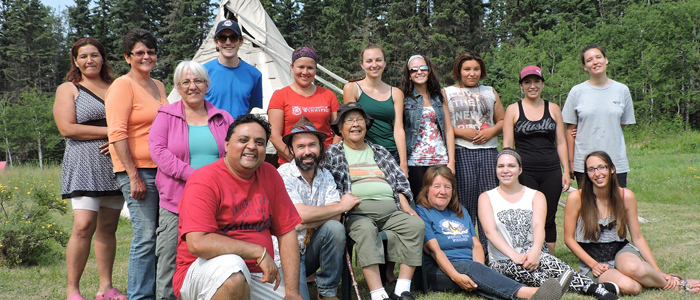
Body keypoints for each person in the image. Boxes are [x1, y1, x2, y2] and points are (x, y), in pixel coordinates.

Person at [173, 114, 303, 300]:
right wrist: (257, 251)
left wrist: (292, 292)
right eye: (243, 140)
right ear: (227, 145)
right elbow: (197, 243)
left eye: (259, 142)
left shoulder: (270, 174)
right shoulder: (204, 180)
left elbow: (287, 231)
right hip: (203, 271)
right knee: (233, 269)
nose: (251, 146)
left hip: (259, 275)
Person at [478, 148, 619, 300]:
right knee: (527, 272)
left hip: (535, 253)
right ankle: (589, 288)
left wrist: (535, 252)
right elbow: (490, 232)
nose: (506, 170)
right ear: (496, 169)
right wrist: (515, 256)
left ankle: (595, 290)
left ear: (520, 170)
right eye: (501, 166)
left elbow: (539, 225)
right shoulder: (487, 197)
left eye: (511, 166)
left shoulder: (536, 196)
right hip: (503, 260)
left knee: (552, 263)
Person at [416, 165, 571, 300]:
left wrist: (478, 270)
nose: (443, 191)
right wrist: (457, 276)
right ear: (427, 189)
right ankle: (532, 292)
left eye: (447, 186)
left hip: (470, 268)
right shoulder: (422, 212)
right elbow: (434, 251)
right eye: (437, 186)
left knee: (483, 279)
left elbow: (476, 244)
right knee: (476, 270)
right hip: (438, 272)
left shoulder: (460, 211)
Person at [148, 61, 234, 300]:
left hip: (216, 200)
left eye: (197, 81)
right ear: (178, 86)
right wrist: (195, 176)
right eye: (185, 82)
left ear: (206, 85)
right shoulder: (166, 115)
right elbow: (158, 151)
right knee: (169, 258)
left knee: (214, 254)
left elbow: (233, 152)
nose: (192, 86)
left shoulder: (223, 117)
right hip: (176, 201)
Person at [563, 151, 700, 295]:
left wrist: (659, 272)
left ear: (612, 169)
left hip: (620, 251)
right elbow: (569, 239)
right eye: (591, 169)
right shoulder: (577, 198)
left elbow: (638, 238)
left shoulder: (625, 196)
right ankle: (650, 280)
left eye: (601, 167)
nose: (597, 173)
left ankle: (674, 284)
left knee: (633, 268)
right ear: (587, 173)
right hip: (594, 261)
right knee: (631, 287)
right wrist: (593, 264)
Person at [326, 102, 424, 300]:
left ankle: (401, 290)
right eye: (349, 121)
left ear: (366, 125)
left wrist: (405, 204)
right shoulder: (332, 154)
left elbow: (400, 180)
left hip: (391, 210)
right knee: (366, 230)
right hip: (357, 212)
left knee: (415, 225)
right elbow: (328, 185)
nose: (355, 124)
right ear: (340, 128)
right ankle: (378, 294)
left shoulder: (379, 151)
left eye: (359, 120)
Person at [54, 37, 126, 300]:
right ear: (75, 61)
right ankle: (73, 289)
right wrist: (112, 132)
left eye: (94, 55)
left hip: (116, 163)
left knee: (108, 227)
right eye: (83, 56)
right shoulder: (69, 89)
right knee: (84, 226)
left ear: (102, 57)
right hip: (84, 163)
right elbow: (67, 128)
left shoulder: (117, 86)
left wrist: (119, 140)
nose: (89, 60)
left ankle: (105, 288)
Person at [105, 28, 168, 300]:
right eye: (139, 52)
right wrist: (133, 176)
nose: (146, 57)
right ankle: (139, 296)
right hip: (138, 171)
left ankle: (158, 291)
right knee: (145, 236)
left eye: (150, 52)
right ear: (127, 57)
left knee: (162, 236)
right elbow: (117, 132)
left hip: (163, 170)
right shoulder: (122, 85)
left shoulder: (159, 86)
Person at [277, 116, 361, 300]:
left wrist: (303, 222)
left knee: (335, 229)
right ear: (291, 150)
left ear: (321, 147)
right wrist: (341, 206)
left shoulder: (325, 175)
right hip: (286, 253)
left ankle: (327, 292)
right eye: (300, 147)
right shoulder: (282, 175)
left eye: (312, 145)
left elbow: (336, 218)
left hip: (311, 248)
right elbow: (301, 214)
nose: (307, 151)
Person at [503, 65, 570, 254]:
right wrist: (508, 172)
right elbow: (507, 145)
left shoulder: (554, 109)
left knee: (548, 216)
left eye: (536, 82)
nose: (532, 86)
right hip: (525, 172)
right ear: (521, 86)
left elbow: (561, 143)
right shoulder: (513, 110)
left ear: (542, 84)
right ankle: (527, 255)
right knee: (527, 216)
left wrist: (566, 170)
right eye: (527, 82)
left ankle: (549, 259)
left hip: (551, 170)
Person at [444, 51, 504, 253]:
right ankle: (468, 249)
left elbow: (502, 120)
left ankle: (491, 251)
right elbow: (443, 125)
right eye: (467, 69)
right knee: (465, 202)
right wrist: (462, 132)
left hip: (488, 152)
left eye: (476, 69)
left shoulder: (490, 91)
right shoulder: (447, 92)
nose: (472, 73)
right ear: (458, 71)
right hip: (462, 151)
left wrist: (491, 132)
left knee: (489, 202)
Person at [562, 44, 635, 187]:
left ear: (606, 60)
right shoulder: (576, 92)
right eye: (589, 60)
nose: (595, 62)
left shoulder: (622, 90)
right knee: (588, 207)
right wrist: (571, 163)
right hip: (584, 162)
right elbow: (570, 130)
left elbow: (621, 124)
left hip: (615, 161)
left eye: (598, 57)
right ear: (585, 67)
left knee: (616, 207)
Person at [343, 43, 407, 175]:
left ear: (385, 63)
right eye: (369, 61)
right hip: (363, 153)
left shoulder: (396, 93)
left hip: (391, 153)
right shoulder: (352, 88)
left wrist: (403, 164)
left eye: (378, 60)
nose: (374, 65)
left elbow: (398, 128)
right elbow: (349, 125)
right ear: (362, 64)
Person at [269, 46, 339, 165]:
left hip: (325, 163)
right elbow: (274, 135)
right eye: (300, 67)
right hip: (291, 163)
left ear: (315, 70)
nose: (305, 72)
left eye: (310, 68)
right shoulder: (280, 96)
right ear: (292, 68)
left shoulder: (328, 95)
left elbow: (338, 131)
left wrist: (327, 157)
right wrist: (295, 160)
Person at [400, 54, 455, 197]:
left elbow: (448, 129)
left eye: (423, 68)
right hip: (415, 161)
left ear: (429, 70)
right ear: (409, 75)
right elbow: (399, 129)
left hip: (440, 159)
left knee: (441, 199)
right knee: (420, 202)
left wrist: (452, 161)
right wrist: (403, 163)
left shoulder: (439, 94)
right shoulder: (403, 97)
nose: (419, 72)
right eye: (414, 70)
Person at [204, 19, 263, 118]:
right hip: (210, 131)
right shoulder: (203, 72)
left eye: (233, 38)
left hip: (238, 131)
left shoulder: (254, 75)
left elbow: (249, 107)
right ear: (216, 42)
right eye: (223, 38)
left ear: (241, 42)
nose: (228, 42)